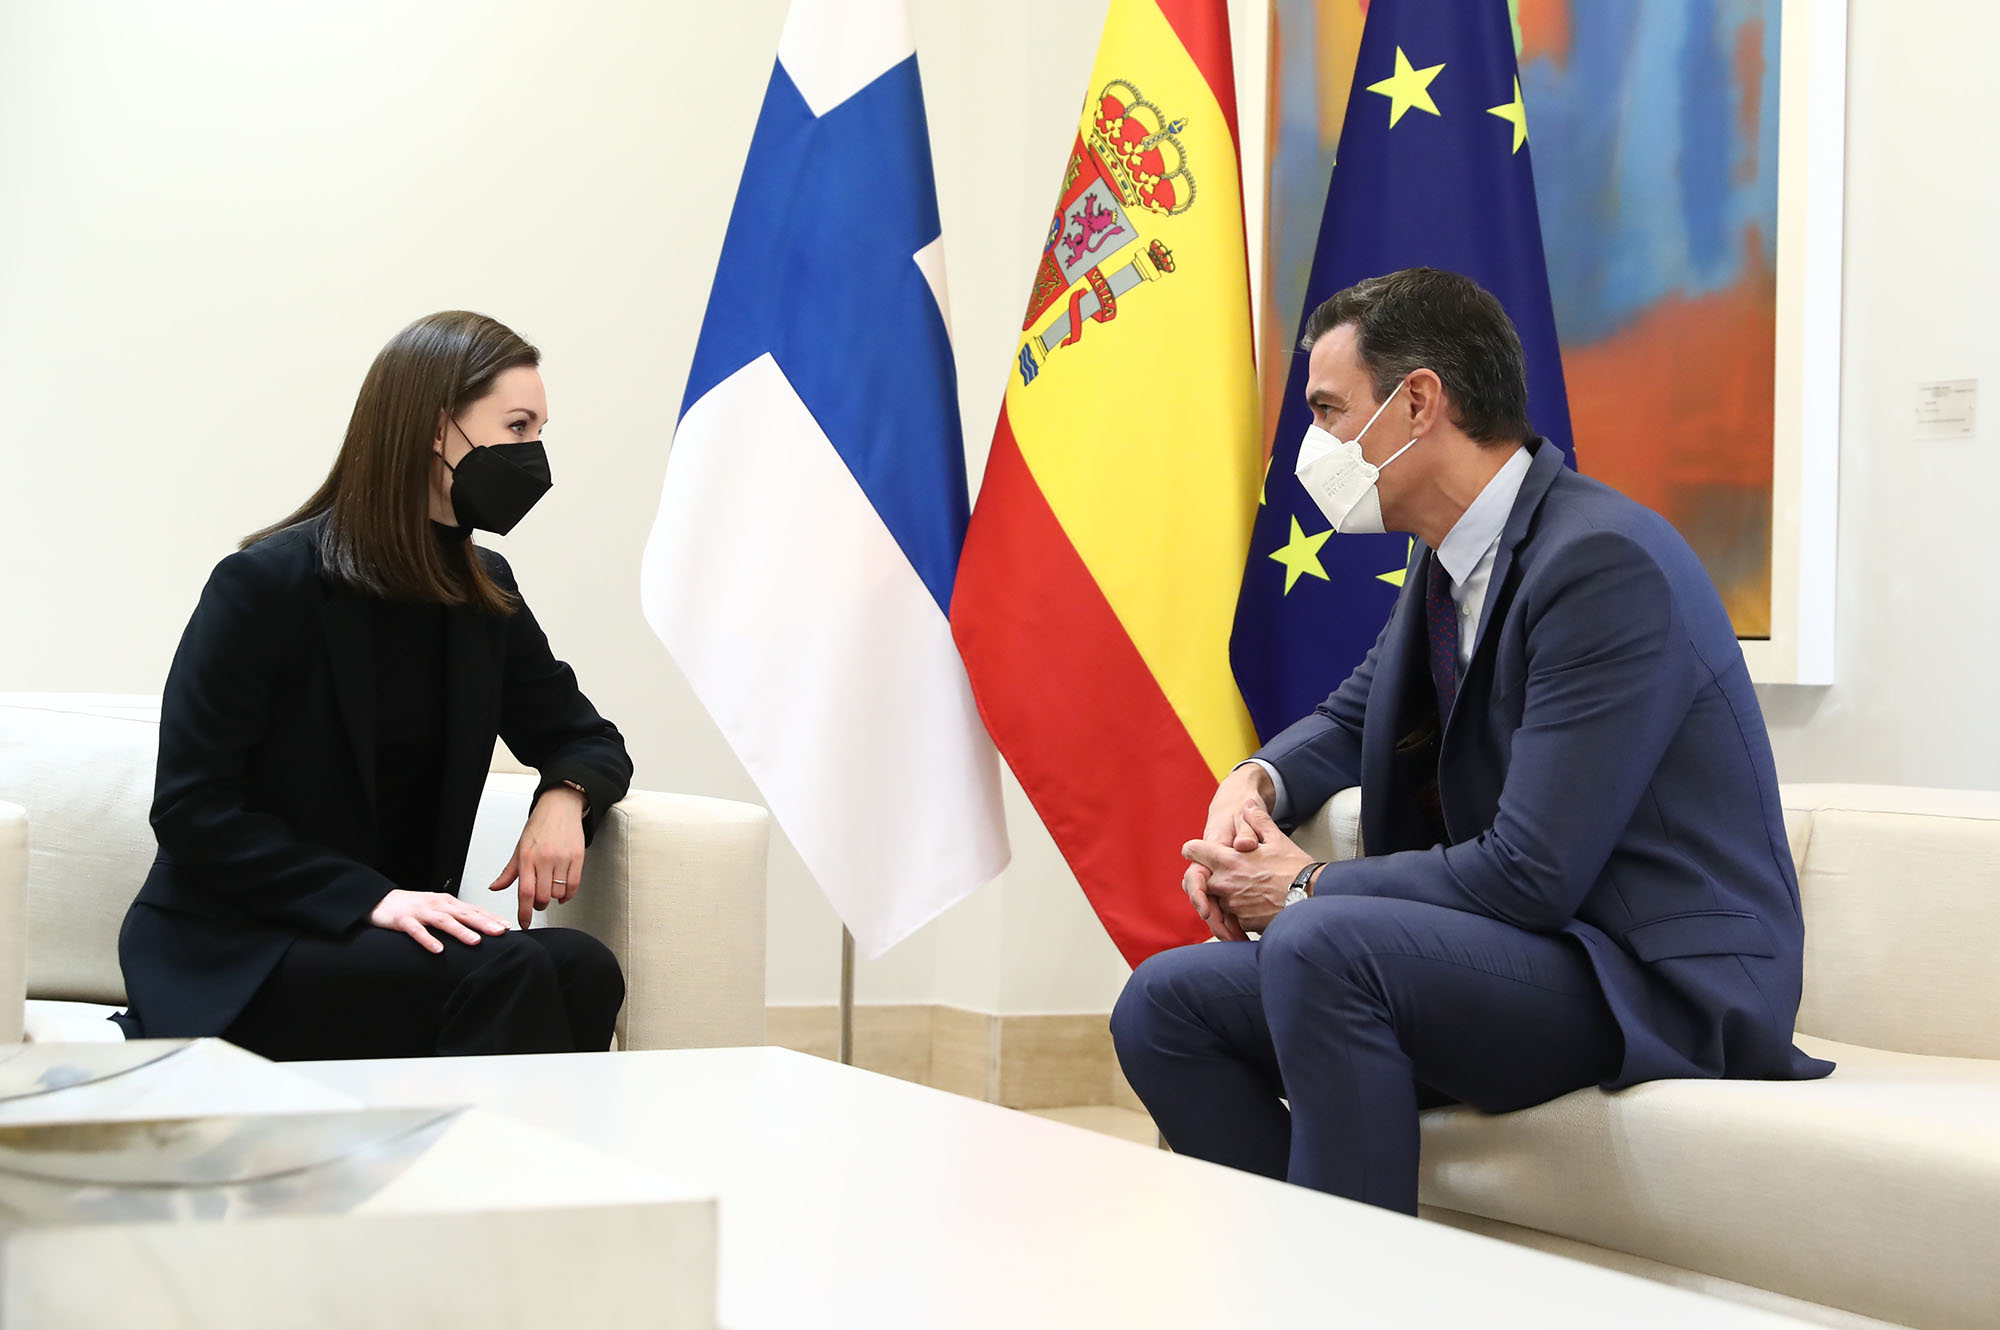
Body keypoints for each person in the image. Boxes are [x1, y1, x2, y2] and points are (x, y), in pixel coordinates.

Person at [1111, 268, 1832, 1214]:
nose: (1312, 447)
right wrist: (1255, 782)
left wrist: (1302, 887)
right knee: (1166, 1007)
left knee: (1324, 943)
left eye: (1329, 412)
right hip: (1533, 955)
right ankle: (1308, 1276)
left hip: (1658, 982)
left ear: (1417, 403)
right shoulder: (1450, 561)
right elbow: (1347, 719)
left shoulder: (1602, 564)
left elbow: (1532, 872)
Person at [115, 310, 632, 1060]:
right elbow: (194, 809)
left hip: (382, 942)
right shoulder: (265, 585)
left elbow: (585, 737)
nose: (535, 456)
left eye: (539, 432)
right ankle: (491, 1173)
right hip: (240, 948)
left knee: (585, 970)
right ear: (434, 428)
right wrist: (371, 899)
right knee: (513, 969)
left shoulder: (484, 590)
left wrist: (565, 796)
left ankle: (528, 1173)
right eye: (517, 427)